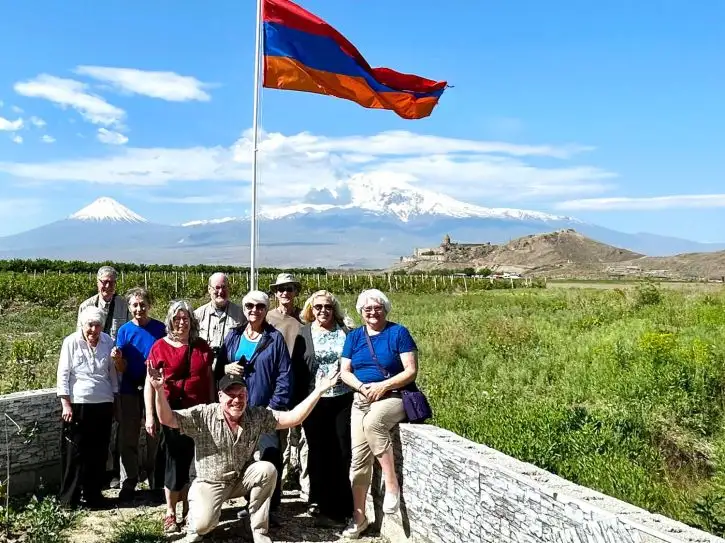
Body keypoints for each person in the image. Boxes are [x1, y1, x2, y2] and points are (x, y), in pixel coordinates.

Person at [149, 366, 339, 543]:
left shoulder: (256, 415)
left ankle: (257, 529)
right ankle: (197, 522)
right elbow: (168, 418)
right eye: (230, 395)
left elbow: (293, 417)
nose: (236, 400)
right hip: (210, 482)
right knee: (202, 526)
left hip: (240, 479)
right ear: (220, 396)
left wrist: (319, 390)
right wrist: (158, 390)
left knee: (267, 469)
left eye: (241, 395)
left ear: (247, 395)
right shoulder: (204, 415)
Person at [339, 289, 419, 539]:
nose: (372, 312)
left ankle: (391, 482)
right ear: (360, 312)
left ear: (385, 309)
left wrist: (384, 386)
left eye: (377, 308)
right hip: (360, 401)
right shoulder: (354, 337)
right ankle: (359, 516)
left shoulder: (398, 333)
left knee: (374, 423)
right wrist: (362, 387)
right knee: (358, 460)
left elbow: (410, 371)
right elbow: (345, 371)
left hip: (393, 398)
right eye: (367, 309)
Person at [216, 290, 292, 516]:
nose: (254, 310)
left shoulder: (274, 338)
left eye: (260, 306)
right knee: (243, 459)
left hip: (263, 409)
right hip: (236, 410)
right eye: (249, 305)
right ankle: (251, 504)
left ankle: (271, 509)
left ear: (266, 309)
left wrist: (274, 406)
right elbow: (218, 370)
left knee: (270, 454)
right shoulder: (233, 335)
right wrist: (225, 368)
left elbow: (284, 375)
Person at [145, 300, 215, 534]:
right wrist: (150, 416)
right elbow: (150, 384)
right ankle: (170, 511)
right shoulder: (159, 347)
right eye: (177, 319)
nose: (182, 323)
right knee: (175, 462)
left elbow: (210, 380)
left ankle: (190, 508)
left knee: (196, 461)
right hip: (171, 413)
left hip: (200, 414)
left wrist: (215, 410)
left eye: (185, 318)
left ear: (192, 321)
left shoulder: (202, 347)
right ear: (170, 321)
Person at [291, 290, 355, 526]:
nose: (323, 311)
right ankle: (318, 502)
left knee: (341, 450)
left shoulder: (345, 331)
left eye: (327, 306)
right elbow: (297, 368)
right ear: (311, 309)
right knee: (317, 451)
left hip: (342, 398)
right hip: (315, 399)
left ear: (334, 308)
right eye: (318, 307)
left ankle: (341, 504)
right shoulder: (304, 333)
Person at [57, 306, 119, 508]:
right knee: (74, 452)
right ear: (83, 325)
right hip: (78, 403)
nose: (94, 330)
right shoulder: (71, 342)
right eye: (90, 325)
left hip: (103, 402)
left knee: (98, 452)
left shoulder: (108, 341)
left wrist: (115, 400)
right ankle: (69, 499)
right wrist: (65, 403)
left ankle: (94, 496)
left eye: (98, 325)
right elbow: (63, 374)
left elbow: (112, 374)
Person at [77, 265, 130, 488]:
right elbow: (80, 341)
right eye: (103, 282)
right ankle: (100, 473)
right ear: (97, 283)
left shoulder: (124, 305)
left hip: (117, 371)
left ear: (116, 284)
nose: (107, 286)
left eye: (111, 282)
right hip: (93, 375)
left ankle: (117, 471)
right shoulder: (86, 306)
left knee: (117, 426)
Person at [115, 287, 166, 501]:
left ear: (149, 305)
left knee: (154, 434)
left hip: (153, 390)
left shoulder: (160, 328)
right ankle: (129, 480)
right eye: (135, 305)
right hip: (129, 389)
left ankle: (157, 481)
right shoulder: (124, 331)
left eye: (142, 304)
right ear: (129, 308)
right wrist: (117, 359)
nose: (139, 309)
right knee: (128, 435)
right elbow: (121, 367)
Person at [265, 273, 308, 497]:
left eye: (289, 289)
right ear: (275, 293)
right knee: (277, 434)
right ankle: (277, 485)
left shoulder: (304, 318)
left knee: (301, 436)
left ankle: (303, 483)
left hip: (301, 382)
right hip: (278, 385)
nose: (285, 293)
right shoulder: (268, 318)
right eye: (280, 289)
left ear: (295, 292)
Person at [194, 272, 243, 366]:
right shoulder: (198, 315)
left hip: (230, 370)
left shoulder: (240, 314)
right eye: (217, 288)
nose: (221, 291)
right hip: (205, 368)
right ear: (209, 289)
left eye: (224, 287)